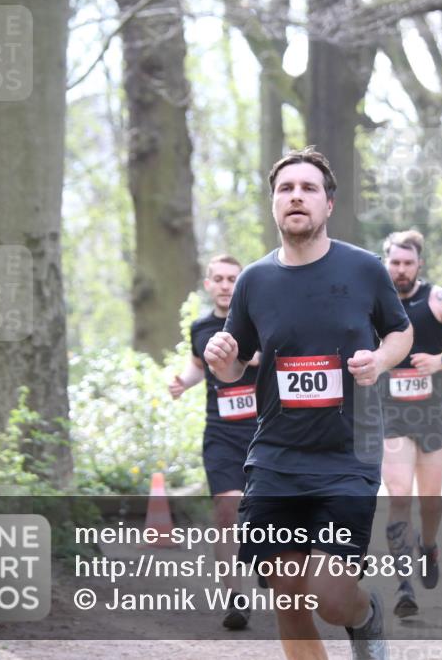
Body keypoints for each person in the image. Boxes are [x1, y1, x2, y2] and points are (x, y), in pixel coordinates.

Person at [205, 147, 412, 660]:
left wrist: (380, 361)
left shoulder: (364, 269)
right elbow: (236, 364)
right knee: (289, 597)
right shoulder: (254, 280)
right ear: (274, 204)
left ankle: (365, 616)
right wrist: (222, 360)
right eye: (285, 189)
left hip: (349, 455)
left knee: (331, 595)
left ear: (328, 204)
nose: (296, 196)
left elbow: (401, 333)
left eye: (308, 188)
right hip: (277, 455)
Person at [379, 230, 442, 618]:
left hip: (432, 413)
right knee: (400, 495)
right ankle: (404, 585)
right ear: (385, 262)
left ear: (419, 264)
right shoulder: (376, 301)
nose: (401, 270)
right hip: (391, 415)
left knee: (430, 502)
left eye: (408, 263)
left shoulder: (437, 298)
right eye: (395, 263)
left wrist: (441, 361)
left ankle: (430, 545)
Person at [169, 254, 258, 630]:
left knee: (265, 513)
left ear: (242, 284)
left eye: (232, 279)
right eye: (218, 279)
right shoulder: (201, 326)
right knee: (226, 511)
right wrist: (183, 382)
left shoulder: (257, 322)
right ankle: (235, 598)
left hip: (264, 433)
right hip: (221, 433)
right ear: (208, 285)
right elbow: (197, 364)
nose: (225, 285)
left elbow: (267, 359)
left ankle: (264, 560)